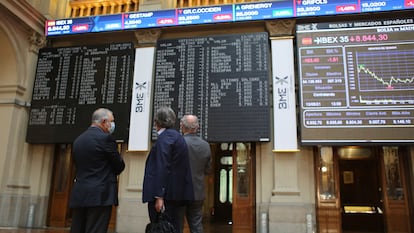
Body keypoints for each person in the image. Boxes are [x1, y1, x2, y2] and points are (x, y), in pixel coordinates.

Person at [69, 108, 125, 233]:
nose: (112, 124)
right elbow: (119, 165)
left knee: (78, 229)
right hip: (100, 195)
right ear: (104, 122)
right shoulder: (106, 139)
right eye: (112, 121)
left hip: (80, 193)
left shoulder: (78, 140)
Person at [142, 106, 194, 233]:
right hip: (174, 195)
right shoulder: (176, 137)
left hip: (165, 197)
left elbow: (162, 167)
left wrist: (159, 196)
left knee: (161, 228)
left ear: (157, 122)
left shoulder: (165, 139)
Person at [180, 115, 212, 233]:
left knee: (177, 225)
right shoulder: (205, 145)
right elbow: (208, 170)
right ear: (197, 127)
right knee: (196, 226)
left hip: (179, 192)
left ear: (181, 126)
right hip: (197, 192)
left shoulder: (178, 143)